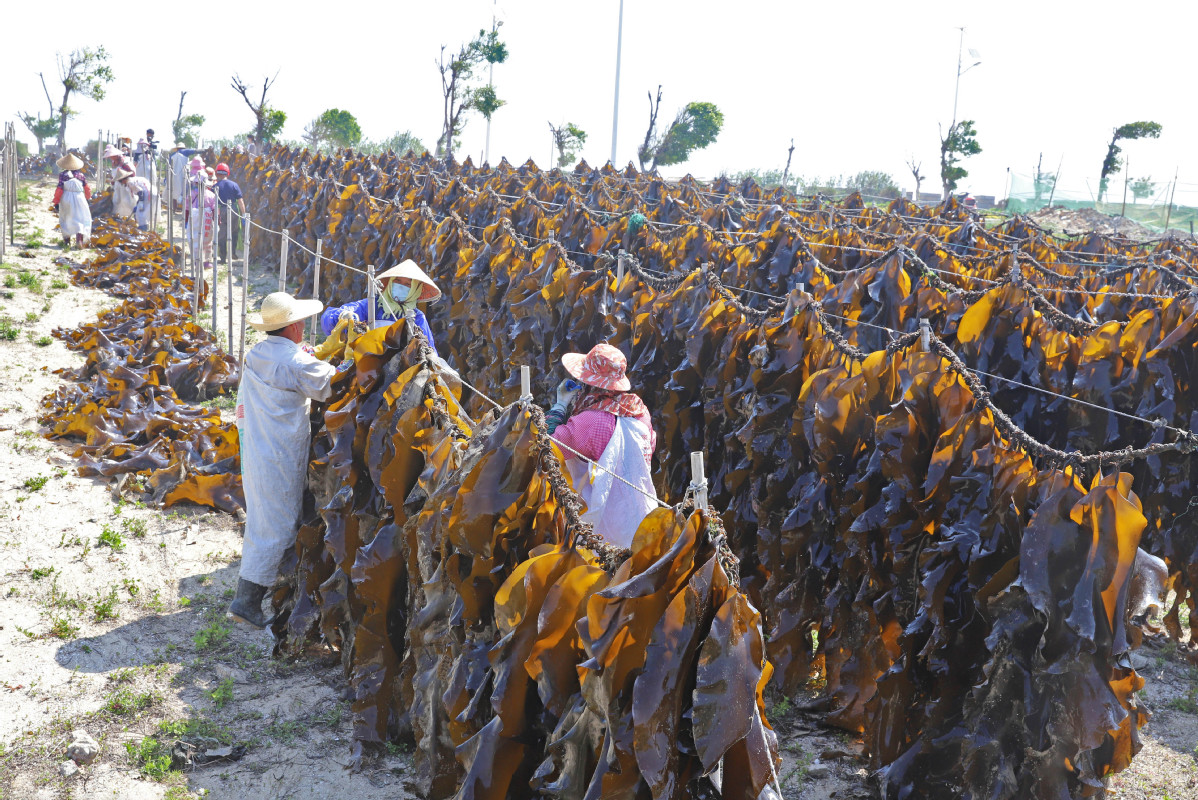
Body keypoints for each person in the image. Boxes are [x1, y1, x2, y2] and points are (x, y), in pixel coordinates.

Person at [228, 292, 337, 627]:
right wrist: (350, 358)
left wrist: (321, 352)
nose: (303, 327)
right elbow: (331, 385)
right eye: (300, 322)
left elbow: (298, 365)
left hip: (257, 446)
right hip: (280, 453)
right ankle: (245, 603)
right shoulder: (293, 362)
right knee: (274, 526)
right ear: (292, 328)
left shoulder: (258, 353)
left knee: (263, 517)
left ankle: (271, 589)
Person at [545, 343, 658, 548]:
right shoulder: (640, 412)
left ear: (588, 383)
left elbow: (548, 445)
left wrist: (561, 403)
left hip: (604, 527)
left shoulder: (590, 421)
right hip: (644, 518)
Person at [319, 260, 442, 356]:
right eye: (397, 281)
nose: (401, 286)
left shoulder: (417, 317)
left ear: (415, 290)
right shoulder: (372, 305)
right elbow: (328, 319)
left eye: (407, 284)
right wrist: (342, 316)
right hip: (366, 364)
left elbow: (429, 349)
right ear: (390, 283)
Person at [51, 153, 92, 249]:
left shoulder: (62, 175)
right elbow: (87, 188)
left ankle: (67, 241)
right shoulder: (81, 175)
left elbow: (59, 189)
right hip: (79, 197)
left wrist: (56, 201)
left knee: (65, 217)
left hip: (66, 197)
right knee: (80, 218)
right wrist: (87, 198)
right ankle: (79, 240)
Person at [183, 164, 217, 267]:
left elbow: (187, 208)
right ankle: (206, 261)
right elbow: (215, 209)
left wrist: (186, 221)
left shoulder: (191, 194)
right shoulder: (211, 195)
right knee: (207, 239)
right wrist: (216, 220)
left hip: (194, 218)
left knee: (195, 239)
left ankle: (198, 260)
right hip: (206, 218)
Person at [213, 162, 245, 263]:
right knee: (234, 231)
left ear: (217, 174)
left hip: (221, 210)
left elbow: (213, 202)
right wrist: (243, 215)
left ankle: (223, 258)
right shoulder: (234, 185)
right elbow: (240, 201)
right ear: (227, 173)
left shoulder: (215, 187)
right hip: (234, 210)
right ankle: (233, 252)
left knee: (222, 234)